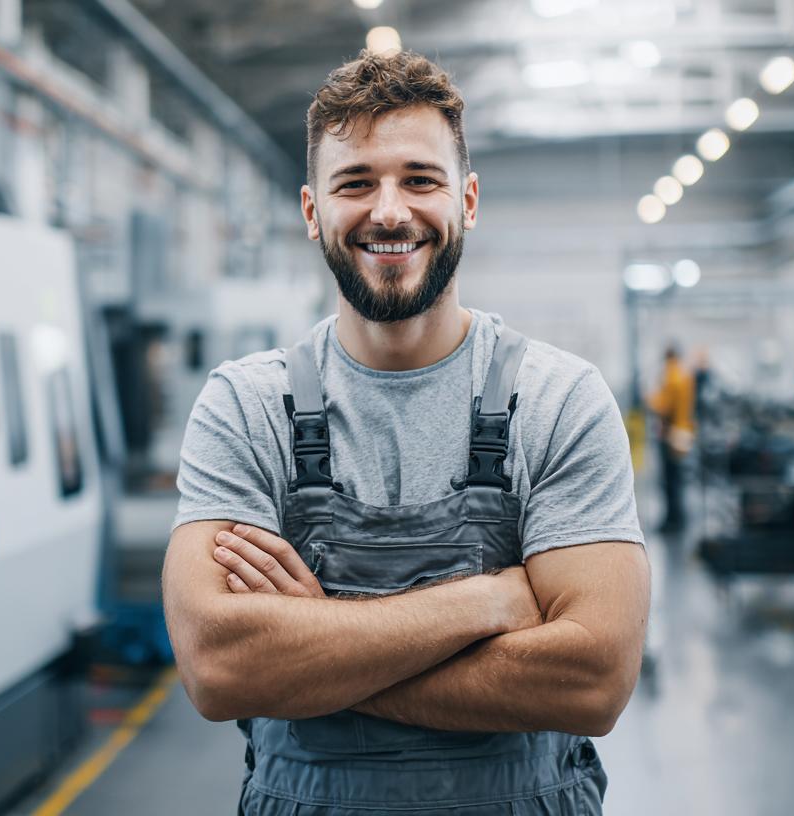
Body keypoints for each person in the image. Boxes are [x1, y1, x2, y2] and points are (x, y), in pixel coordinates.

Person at [163, 50, 649, 815]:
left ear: (469, 200)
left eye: (420, 179)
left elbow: (594, 682)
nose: (390, 211)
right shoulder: (246, 405)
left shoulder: (559, 400)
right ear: (312, 210)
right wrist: (485, 604)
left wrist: (316, 647)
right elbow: (222, 670)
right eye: (355, 182)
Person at [648, 345, 695, 532]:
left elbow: (663, 405)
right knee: (678, 478)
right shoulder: (684, 374)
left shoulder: (671, 374)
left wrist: (649, 399)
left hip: (671, 435)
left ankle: (672, 521)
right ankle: (680, 518)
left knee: (670, 479)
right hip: (684, 430)